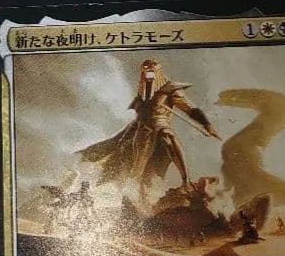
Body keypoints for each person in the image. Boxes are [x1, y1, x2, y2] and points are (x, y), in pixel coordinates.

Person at [80, 58, 219, 202]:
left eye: (152, 72)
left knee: (168, 137)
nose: (149, 75)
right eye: (146, 72)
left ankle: (186, 180)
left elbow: (190, 109)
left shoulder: (169, 89)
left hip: (161, 124)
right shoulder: (141, 96)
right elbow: (139, 119)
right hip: (142, 130)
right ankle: (133, 192)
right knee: (137, 163)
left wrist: (207, 125)